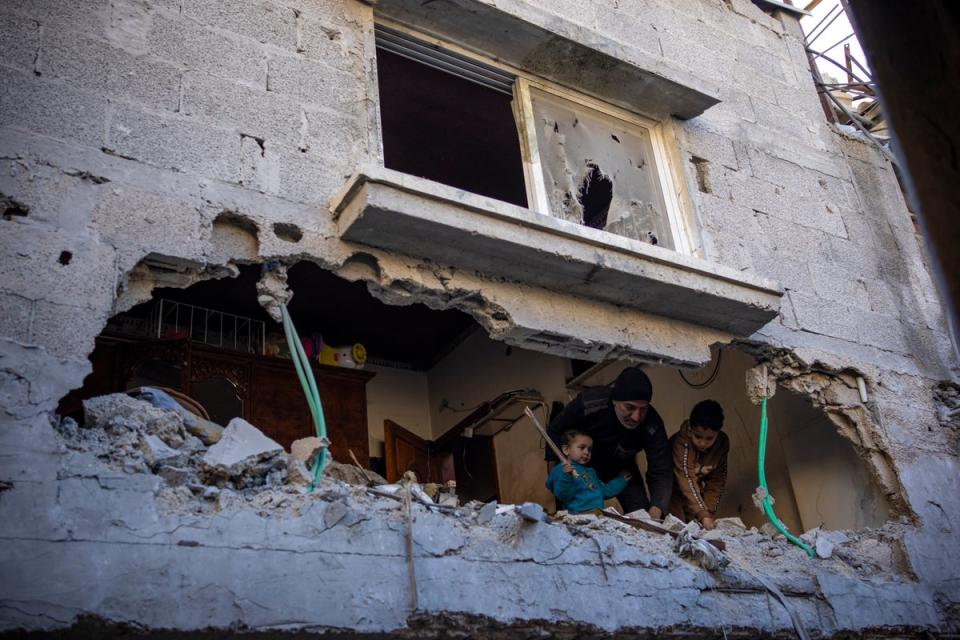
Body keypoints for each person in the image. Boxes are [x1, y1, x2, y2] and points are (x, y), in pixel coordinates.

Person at [546, 366, 672, 518]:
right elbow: (555, 430)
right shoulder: (590, 403)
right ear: (614, 401)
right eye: (629, 407)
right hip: (580, 467)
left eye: (643, 409)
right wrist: (556, 473)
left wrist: (657, 507)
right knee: (569, 516)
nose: (636, 417)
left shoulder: (653, 423)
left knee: (642, 516)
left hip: (622, 468)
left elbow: (661, 468)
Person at [668, 399, 729, 530]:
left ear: (717, 434)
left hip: (695, 492)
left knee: (698, 526)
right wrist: (702, 514)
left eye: (709, 439)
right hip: (672, 490)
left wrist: (708, 512)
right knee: (677, 527)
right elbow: (686, 479)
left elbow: (717, 481)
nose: (703, 443)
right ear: (690, 429)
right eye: (698, 437)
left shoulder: (722, 443)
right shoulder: (681, 443)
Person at [545, 430, 631, 513]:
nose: (587, 452)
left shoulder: (590, 472)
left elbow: (603, 491)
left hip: (597, 514)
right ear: (566, 450)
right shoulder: (562, 469)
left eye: (589, 449)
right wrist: (565, 476)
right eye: (582, 448)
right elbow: (564, 496)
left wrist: (621, 481)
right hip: (577, 516)